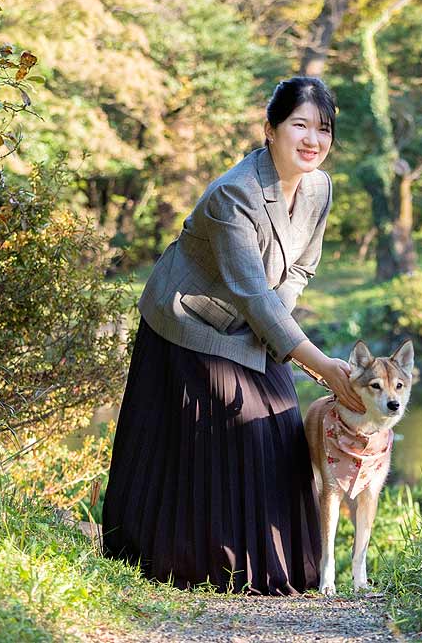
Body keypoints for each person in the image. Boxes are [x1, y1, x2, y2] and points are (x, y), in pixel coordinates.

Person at [102, 76, 364, 596]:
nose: (313, 139)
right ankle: (198, 560)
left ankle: (283, 565)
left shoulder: (319, 188)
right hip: (190, 320)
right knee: (243, 413)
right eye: (300, 125)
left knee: (282, 416)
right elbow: (253, 293)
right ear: (270, 130)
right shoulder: (233, 194)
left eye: (324, 129)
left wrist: (276, 337)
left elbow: (300, 271)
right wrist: (322, 365)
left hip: (255, 320)